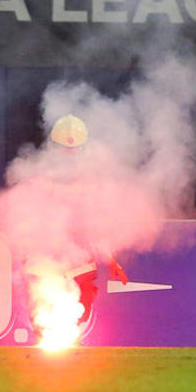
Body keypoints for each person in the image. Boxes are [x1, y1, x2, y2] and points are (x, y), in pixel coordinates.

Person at [48, 114, 128, 324]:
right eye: (66, 149)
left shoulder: (91, 178)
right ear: (54, 147)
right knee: (45, 311)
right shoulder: (40, 176)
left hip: (81, 259)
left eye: (74, 149)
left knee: (80, 313)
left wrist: (110, 259)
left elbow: (95, 221)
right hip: (49, 259)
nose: (70, 154)